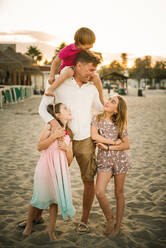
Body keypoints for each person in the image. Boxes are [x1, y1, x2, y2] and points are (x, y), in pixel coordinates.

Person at [37, 50, 104, 234]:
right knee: (50, 177)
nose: (93, 74)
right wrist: (55, 127)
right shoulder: (60, 82)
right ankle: (35, 217)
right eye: (90, 70)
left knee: (88, 180)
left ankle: (83, 220)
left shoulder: (91, 88)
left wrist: (98, 86)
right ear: (79, 65)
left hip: (85, 140)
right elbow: (42, 108)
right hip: (62, 137)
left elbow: (101, 109)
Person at [22, 102, 75, 241]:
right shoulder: (49, 126)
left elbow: (69, 160)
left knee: (54, 201)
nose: (69, 110)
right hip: (45, 167)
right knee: (37, 196)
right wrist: (53, 136)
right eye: (65, 108)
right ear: (57, 115)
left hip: (59, 169)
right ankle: (29, 225)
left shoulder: (69, 134)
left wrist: (66, 149)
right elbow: (39, 146)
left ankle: (51, 231)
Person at [91, 95, 131, 238]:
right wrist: (113, 142)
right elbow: (94, 136)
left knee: (118, 193)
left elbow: (127, 145)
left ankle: (117, 226)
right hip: (104, 161)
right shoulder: (97, 119)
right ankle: (110, 219)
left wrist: (109, 148)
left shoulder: (119, 124)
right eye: (109, 99)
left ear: (117, 111)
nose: (107, 102)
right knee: (99, 191)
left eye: (112, 102)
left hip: (120, 161)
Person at [45, 27, 104, 105]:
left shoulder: (84, 50)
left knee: (96, 77)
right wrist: (51, 76)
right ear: (80, 43)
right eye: (90, 44)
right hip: (66, 70)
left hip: (77, 71)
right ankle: (51, 89)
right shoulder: (68, 49)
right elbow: (55, 62)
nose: (91, 46)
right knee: (70, 71)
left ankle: (102, 101)